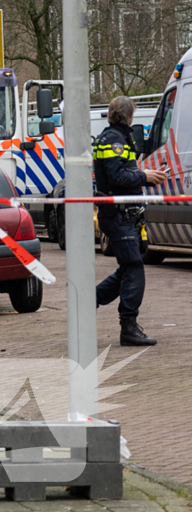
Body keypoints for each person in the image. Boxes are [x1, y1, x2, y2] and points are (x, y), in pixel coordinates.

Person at [93, 95, 167, 346]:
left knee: (128, 267)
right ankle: (128, 327)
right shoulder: (114, 139)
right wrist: (144, 176)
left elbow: (121, 172)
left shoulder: (115, 136)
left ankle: (89, 301)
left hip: (121, 214)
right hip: (117, 214)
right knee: (134, 268)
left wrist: (143, 175)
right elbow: (117, 176)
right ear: (129, 116)